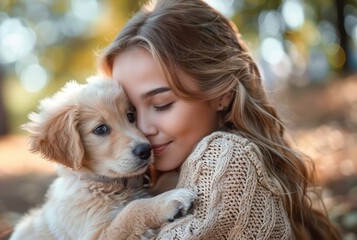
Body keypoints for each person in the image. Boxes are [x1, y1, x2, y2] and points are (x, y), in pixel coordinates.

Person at [98, 0, 342, 239]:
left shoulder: (228, 159)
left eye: (162, 105)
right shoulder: (158, 172)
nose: (140, 129)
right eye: (129, 114)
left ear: (222, 94)